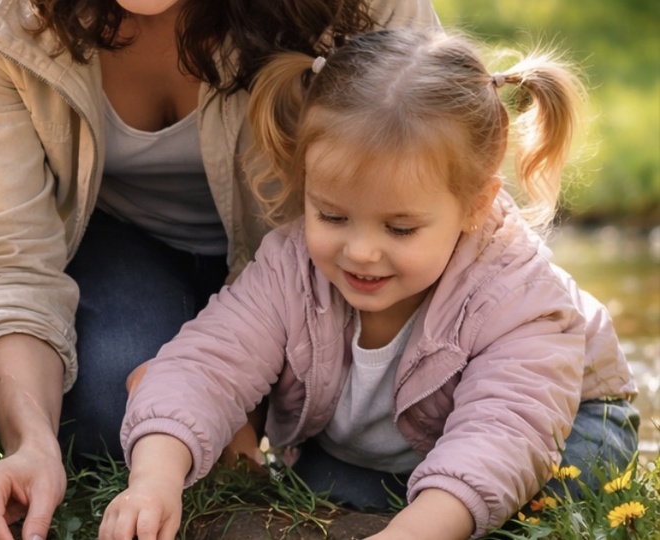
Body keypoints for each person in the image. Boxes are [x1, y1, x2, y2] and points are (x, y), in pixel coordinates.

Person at [101, 27, 639, 540]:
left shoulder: (517, 295)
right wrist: (154, 482)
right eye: (332, 217)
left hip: (554, 424)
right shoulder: (292, 266)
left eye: (399, 228)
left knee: (561, 485)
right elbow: (209, 362)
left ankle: (431, 505)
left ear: (474, 205)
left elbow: (503, 435)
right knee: (326, 490)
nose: (360, 251)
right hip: (393, 443)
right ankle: (392, 492)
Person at [0, 0, 439, 537]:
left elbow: (437, 169)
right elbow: (5, 259)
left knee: (397, 415)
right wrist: (30, 440)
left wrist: (240, 401)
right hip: (125, 248)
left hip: (317, 276)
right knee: (114, 409)